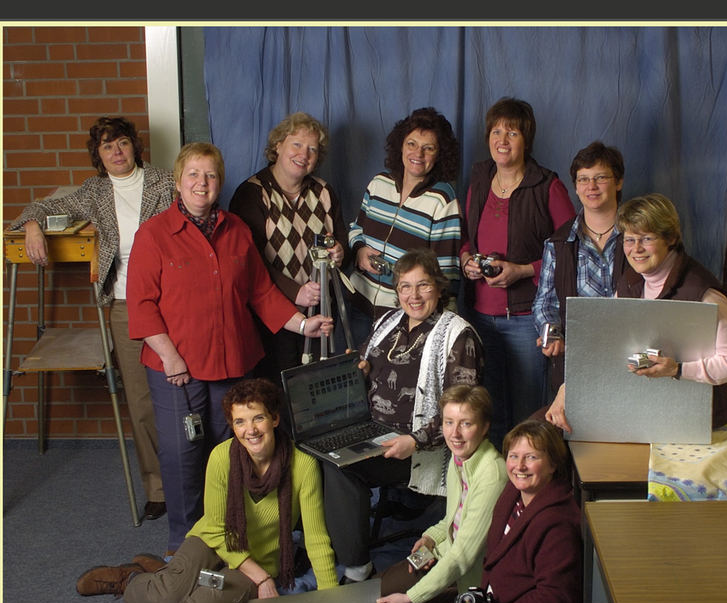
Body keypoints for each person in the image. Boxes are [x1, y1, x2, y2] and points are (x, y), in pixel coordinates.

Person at [126, 142, 333, 554]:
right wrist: (170, 357)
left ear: (220, 182)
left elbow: (262, 293)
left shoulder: (237, 230)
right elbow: (142, 304)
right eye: (194, 175)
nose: (202, 184)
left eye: (211, 176)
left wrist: (303, 324)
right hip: (176, 369)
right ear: (178, 181)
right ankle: (184, 545)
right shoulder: (153, 235)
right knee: (183, 455)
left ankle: (231, 536)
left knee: (232, 454)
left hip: (234, 365)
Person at [75, 379, 338, 603]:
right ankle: (131, 578)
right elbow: (215, 528)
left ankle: (166, 577)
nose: (251, 430)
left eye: (258, 418)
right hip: (212, 542)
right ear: (232, 426)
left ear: (275, 419)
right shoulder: (222, 457)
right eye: (240, 421)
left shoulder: (303, 466)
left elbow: (316, 538)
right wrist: (261, 579)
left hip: (259, 557)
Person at [9, 116, 174, 521]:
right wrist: (32, 225)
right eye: (107, 147)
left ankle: (199, 481)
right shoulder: (94, 191)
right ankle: (158, 487)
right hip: (124, 304)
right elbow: (41, 206)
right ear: (98, 156)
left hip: (173, 300)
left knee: (184, 395)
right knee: (140, 400)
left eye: (121, 143)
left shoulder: (166, 182)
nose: (116, 152)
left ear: (134, 146)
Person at [399, 419, 582, 603]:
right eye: (513, 456)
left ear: (553, 465)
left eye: (532, 457)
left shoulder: (558, 523)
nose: (519, 465)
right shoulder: (513, 495)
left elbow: (553, 600)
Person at [323, 250, 484, 584]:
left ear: (438, 288)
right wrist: (359, 371)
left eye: (423, 286)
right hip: (371, 431)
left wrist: (416, 440)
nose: (413, 296)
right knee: (320, 450)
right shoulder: (387, 323)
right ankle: (325, 550)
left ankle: (356, 569)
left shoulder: (457, 334)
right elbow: (364, 366)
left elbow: (464, 411)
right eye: (405, 287)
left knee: (340, 466)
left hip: (420, 447)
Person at [545, 193, 727, 435]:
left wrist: (679, 369)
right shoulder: (630, 282)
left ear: (671, 238)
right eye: (629, 240)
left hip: (694, 423)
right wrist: (567, 389)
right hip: (646, 412)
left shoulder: (703, 293)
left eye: (647, 238)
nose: (636, 249)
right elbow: (603, 343)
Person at [459, 97, 575, 449]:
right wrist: (467, 259)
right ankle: (498, 490)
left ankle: (529, 492)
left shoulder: (547, 186)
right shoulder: (479, 178)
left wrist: (524, 270)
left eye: (512, 132)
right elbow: (465, 235)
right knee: (490, 412)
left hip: (526, 320)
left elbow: (570, 250)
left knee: (528, 414)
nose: (502, 140)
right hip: (480, 318)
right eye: (496, 131)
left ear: (527, 139)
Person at [228, 112, 351, 383]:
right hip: (272, 315)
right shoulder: (252, 193)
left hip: (321, 311)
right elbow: (251, 263)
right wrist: (295, 292)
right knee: (277, 391)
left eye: (312, 149)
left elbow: (342, 241)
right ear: (277, 146)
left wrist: (341, 252)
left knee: (318, 388)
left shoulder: (324, 192)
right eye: (296, 144)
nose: (303, 154)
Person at [376, 385, 507, 603]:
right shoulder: (460, 458)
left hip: (469, 578)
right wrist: (428, 538)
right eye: (449, 422)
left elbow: (463, 557)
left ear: (485, 426)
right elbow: (451, 520)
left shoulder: (493, 474)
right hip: (443, 553)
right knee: (378, 588)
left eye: (466, 424)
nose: (455, 434)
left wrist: (410, 597)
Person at [346, 107, 463, 346]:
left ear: (439, 155)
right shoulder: (379, 184)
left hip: (401, 315)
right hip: (358, 304)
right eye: (411, 144)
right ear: (400, 145)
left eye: (428, 148)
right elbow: (356, 229)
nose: (418, 153)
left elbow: (446, 273)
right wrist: (359, 250)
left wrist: (438, 328)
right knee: (356, 377)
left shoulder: (443, 199)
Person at [532, 141, 629, 395]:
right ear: (575, 187)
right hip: (576, 363)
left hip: (630, 362)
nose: (591, 187)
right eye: (583, 179)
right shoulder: (558, 243)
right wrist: (551, 334)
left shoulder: (638, 238)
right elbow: (544, 303)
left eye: (600, 178)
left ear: (618, 182)